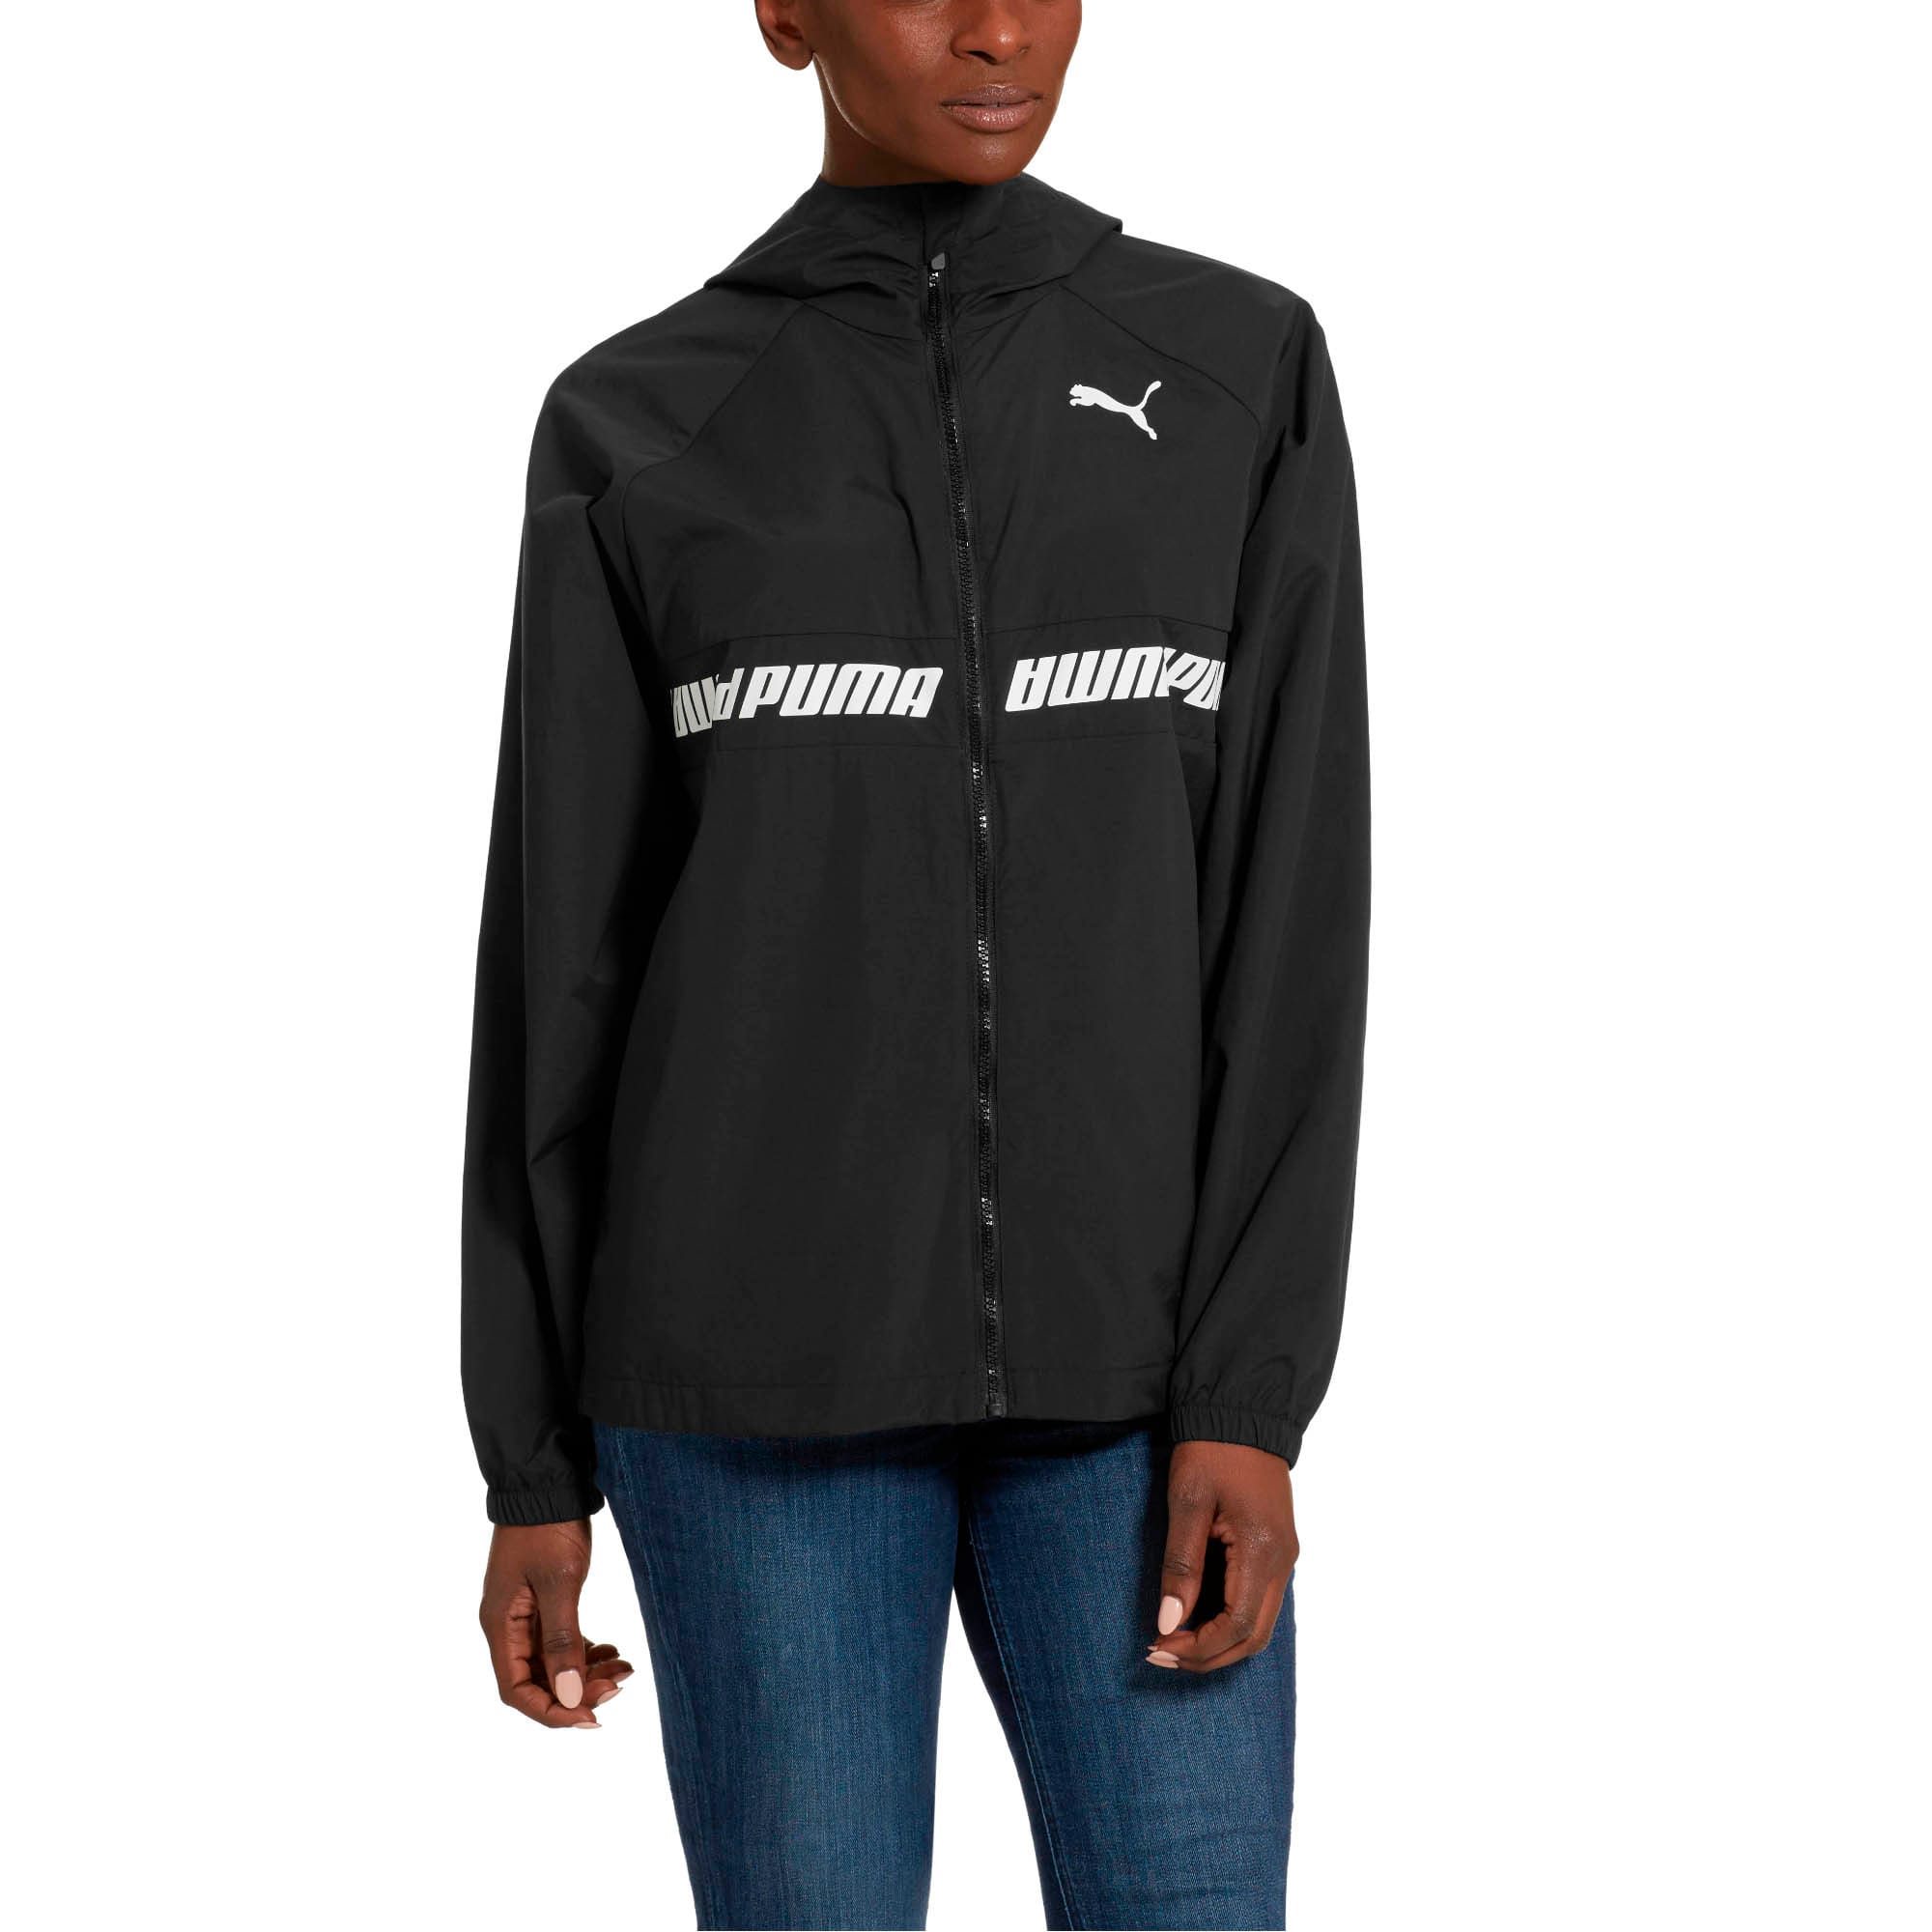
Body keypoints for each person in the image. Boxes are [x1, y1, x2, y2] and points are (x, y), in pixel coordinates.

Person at [461, 2, 1370, 1924]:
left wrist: (1248, 1390)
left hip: (1139, 1395)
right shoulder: (639, 417)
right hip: (741, 1398)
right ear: (784, 12)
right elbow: (558, 961)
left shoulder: (1235, 370)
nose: (995, 26)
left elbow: (1294, 913)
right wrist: (529, 1459)